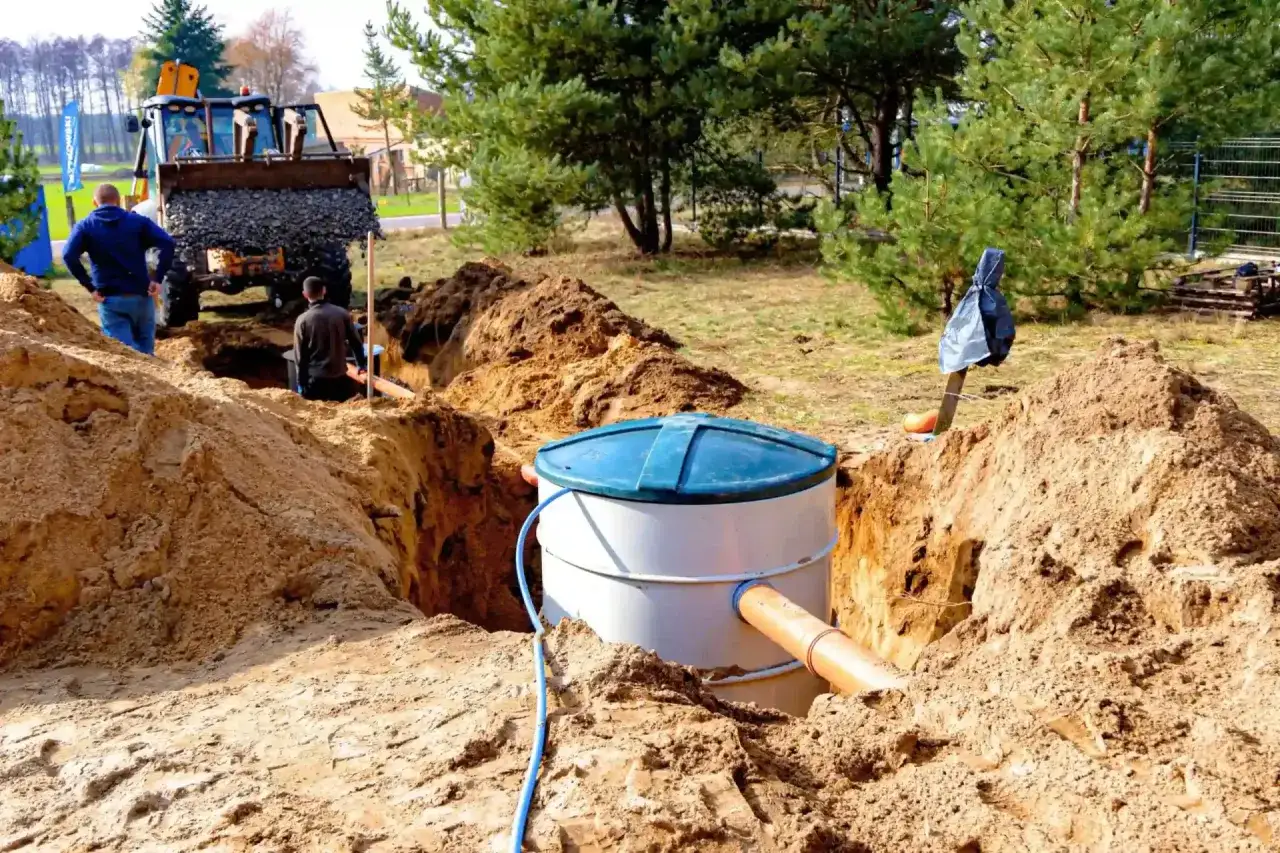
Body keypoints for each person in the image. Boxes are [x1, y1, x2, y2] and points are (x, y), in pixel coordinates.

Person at [62, 184, 175, 356]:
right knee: (146, 353)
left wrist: (89, 286)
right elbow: (167, 243)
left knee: (124, 355)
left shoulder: (85, 226)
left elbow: (68, 255)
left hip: (109, 298)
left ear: (94, 202)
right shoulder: (138, 222)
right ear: (118, 200)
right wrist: (158, 278)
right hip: (141, 296)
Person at [293, 276, 367, 402]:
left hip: (315, 382)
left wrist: (301, 383)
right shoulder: (342, 314)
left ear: (305, 295)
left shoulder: (302, 320)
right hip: (340, 379)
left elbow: (300, 356)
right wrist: (360, 364)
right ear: (324, 290)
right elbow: (356, 342)